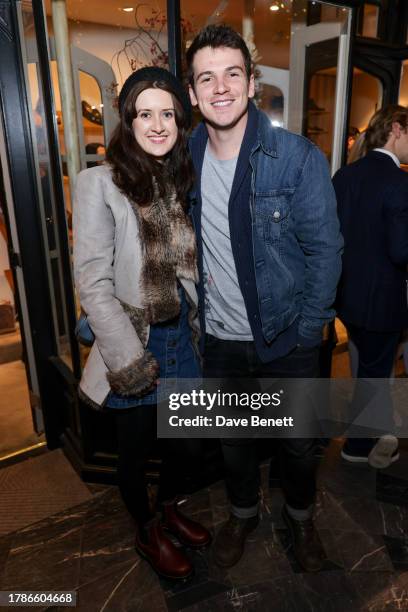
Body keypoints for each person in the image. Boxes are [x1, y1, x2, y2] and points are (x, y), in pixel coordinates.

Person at [186, 25, 343, 572]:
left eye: (233, 73)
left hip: (287, 335)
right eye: (207, 77)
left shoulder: (295, 157)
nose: (221, 87)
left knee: (299, 444)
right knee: (234, 441)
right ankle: (242, 512)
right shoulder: (183, 159)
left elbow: (327, 251)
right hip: (221, 340)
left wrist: (308, 331)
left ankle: (300, 520)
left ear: (252, 83)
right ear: (192, 92)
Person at [73, 66, 210, 581]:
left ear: (180, 119)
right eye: (145, 113)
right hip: (134, 339)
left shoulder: (178, 179)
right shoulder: (99, 182)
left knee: (187, 444)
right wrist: (128, 360)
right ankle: (147, 529)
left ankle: (171, 508)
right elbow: (93, 282)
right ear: (127, 121)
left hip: (183, 338)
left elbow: (187, 268)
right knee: (135, 453)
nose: (158, 124)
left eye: (167, 113)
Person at [333, 105, 408, 468]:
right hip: (383, 300)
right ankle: (358, 446)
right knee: (375, 375)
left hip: (349, 297)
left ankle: (374, 431)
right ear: (396, 129)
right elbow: (401, 250)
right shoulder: (399, 182)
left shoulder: (345, 176)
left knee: (367, 371)